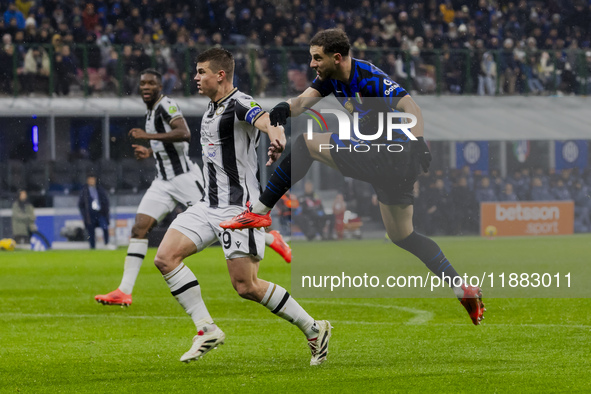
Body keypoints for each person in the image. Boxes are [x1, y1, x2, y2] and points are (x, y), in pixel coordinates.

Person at [221, 29, 484, 325]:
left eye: (316, 58)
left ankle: (260, 210)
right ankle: (461, 287)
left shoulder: (369, 77)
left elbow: (410, 105)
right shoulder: (330, 78)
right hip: (391, 165)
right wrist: (282, 109)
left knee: (307, 143)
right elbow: (301, 103)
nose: (312, 64)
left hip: (390, 152)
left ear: (336, 57)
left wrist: (418, 140)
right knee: (402, 235)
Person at [152, 48, 331, 365]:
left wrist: (278, 137)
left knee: (246, 286)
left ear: (220, 75)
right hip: (207, 205)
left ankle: (315, 329)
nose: (195, 77)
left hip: (239, 210)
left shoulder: (239, 102)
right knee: (165, 259)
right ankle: (206, 329)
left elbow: (266, 120)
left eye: (201, 71)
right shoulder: (211, 109)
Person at [95, 69, 293, 307]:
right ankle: (124, 291)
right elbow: (168, 146)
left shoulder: (166, 105)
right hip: (162, 181)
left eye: (151, 83)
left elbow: (183, 133)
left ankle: (271, 238)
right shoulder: (150, 112)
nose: (146, 87)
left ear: (160, 87)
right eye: (142, 83)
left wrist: (147, 137)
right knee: (139, 228)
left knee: (221, 217)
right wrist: (150, 151)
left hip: (184, 178)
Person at [78, 175, 110, 249]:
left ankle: (106, 244)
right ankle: (92, 247)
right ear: (87, 181)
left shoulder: (100, 189)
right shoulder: (84, 191)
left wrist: (105, 211)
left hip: (100, 213)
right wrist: (85, 214)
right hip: (90, 215)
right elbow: (81, 204)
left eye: (93, 180)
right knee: (91, 231)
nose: (92, 181)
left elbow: (106, 201)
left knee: (105, 227)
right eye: (90, 180)